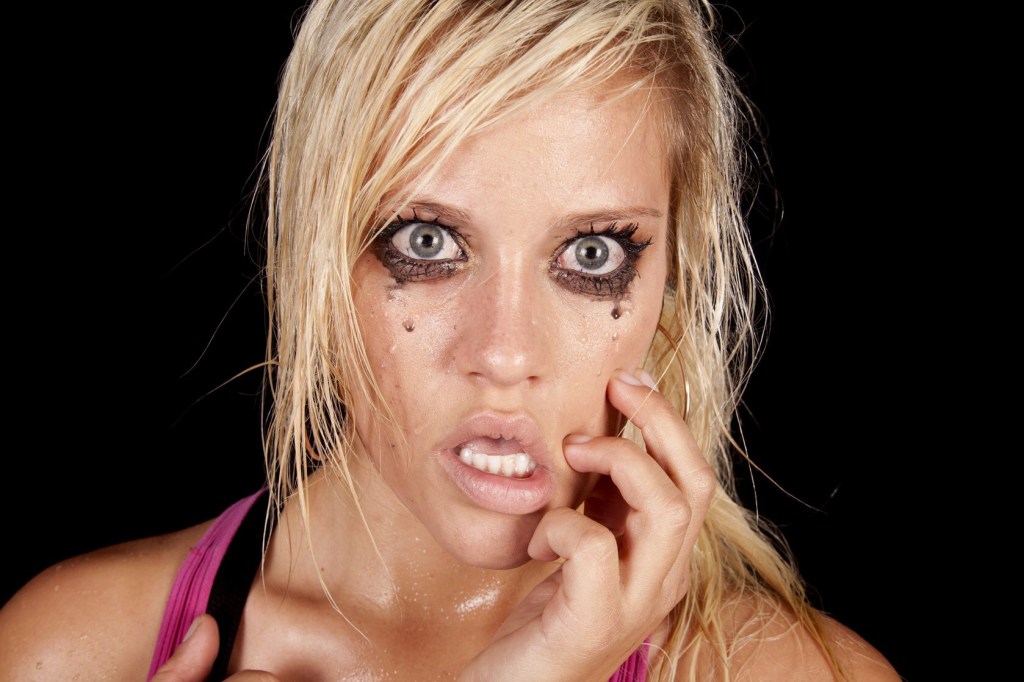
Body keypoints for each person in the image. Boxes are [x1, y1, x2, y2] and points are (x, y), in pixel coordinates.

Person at [0, 1, 900, 679]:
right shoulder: (71, 651)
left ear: (670, 273)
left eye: (591, 255)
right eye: (426, 243)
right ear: (317, 248)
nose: (505, 355)